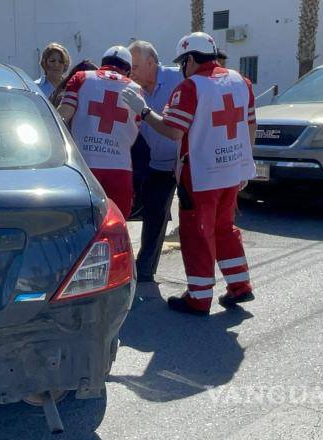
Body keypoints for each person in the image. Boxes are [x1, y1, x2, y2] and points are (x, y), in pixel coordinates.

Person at [121, 32, 256, 315]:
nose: (183, 68)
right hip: (231, 172)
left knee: (197, 233)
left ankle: (198, 297)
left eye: (184, 62)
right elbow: (250, 126)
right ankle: (240, 285)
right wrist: (244, 163)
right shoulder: (240, 82)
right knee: (224, 229)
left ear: (191, 59)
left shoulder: (191, 87)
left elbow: (172, 130)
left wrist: (144, 112)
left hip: (201, 175)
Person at [57, 46, 142, 218]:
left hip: (85, 166)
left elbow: (62, 116)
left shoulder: (81, 78)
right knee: (117, 223)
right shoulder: (136, 89)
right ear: (128, 70)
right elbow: (137, 125)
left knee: (83, 224)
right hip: (120, 168)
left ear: (103, 63)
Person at [126, 40, 183, 283]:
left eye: (136, 67)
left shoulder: (179, 79)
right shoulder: (132, 88)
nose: (132, 73)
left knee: (194, 220)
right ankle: (146, 270)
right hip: (158, 163)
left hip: (185, 161)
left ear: (151, 63)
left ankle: (201, 281)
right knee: (153, 215)